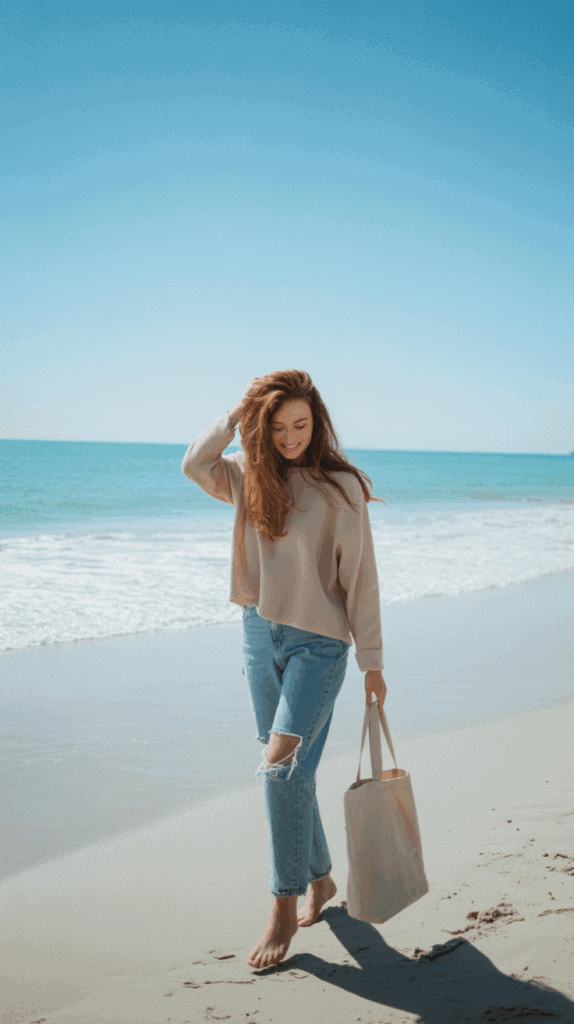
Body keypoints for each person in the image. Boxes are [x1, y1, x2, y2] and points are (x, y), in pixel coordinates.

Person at [181, 369, 387, 970]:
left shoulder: (341, 487)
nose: (291, 436)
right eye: (276, 427)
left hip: (319, 646)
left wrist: (372, 662)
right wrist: (235, 413)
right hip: (257, 635)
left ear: (317, 421)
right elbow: (194, 464)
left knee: (278, 767)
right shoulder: (249, 476)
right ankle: (321, 880)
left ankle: (282, 904)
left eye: (300, 424)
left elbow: (362, 580)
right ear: (260, 429)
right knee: (291, 773)